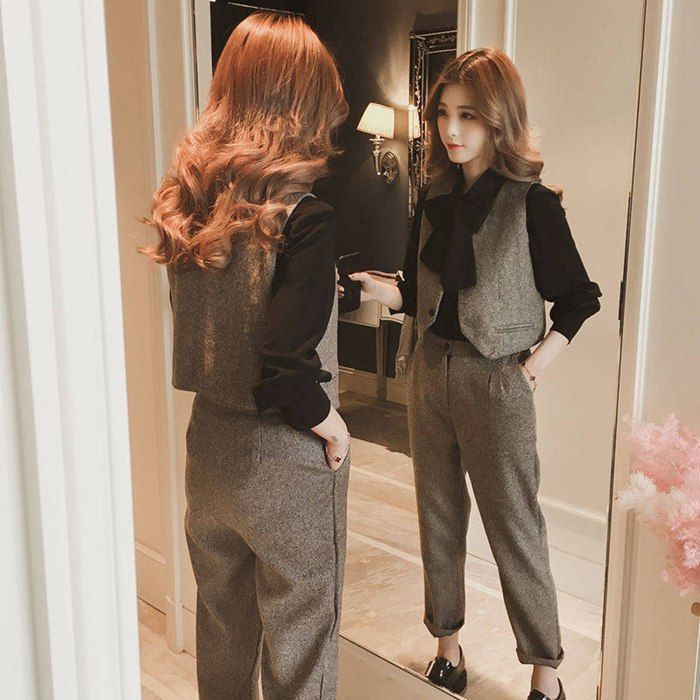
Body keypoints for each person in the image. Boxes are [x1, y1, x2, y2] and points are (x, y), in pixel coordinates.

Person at [350, 47, 602, 700]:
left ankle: (546, 673)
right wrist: (382, 292)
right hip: (430, 372)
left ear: (499, 119)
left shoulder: (532, 203)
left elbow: (579, 298)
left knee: (514, 527)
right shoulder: (433, 196)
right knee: (437, 517)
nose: (451, 129)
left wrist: (533, 366)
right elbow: (420, 295)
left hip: (496, 381)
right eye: (443, 114)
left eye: (468, 115)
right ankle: (448, 649)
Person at [139, 12, 351, 699]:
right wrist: (332, 425)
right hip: (285, 456)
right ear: (304, 103)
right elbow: (287, 369)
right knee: (302, 644)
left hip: (210, 449)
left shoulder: (190, 207)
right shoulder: (305, 216)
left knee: (224, 630)